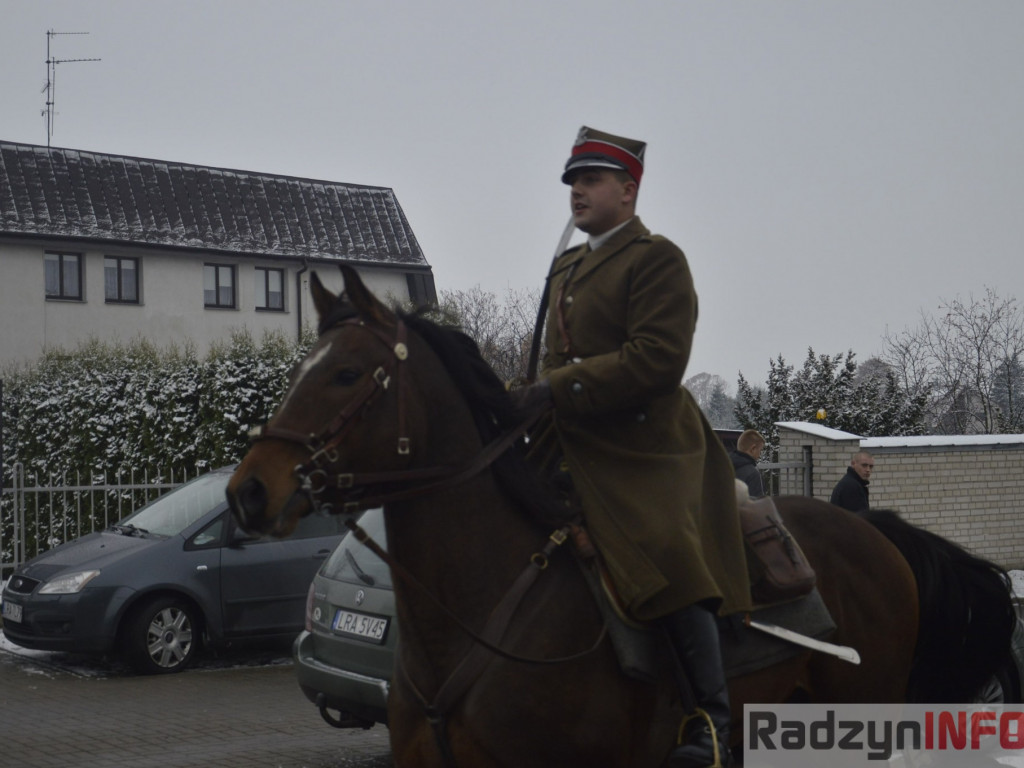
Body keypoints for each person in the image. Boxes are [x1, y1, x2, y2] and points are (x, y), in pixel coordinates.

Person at [517, 126, 751, 768]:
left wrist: (555, 387)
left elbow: (658, 360)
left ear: (628, 189)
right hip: (570, 435)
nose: (576, 191)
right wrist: (525, 397)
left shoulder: (657, 259)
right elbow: (556, 358)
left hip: (645, 444)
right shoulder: (568, 265)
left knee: (665, 548)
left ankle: (711, 723)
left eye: (590, 180)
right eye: (572, 181)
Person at [728, 430, 765, 498]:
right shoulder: (752, 474)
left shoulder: (723, 466)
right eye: (760, 450)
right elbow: (757, 502)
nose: (759, 455)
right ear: (753, 449)